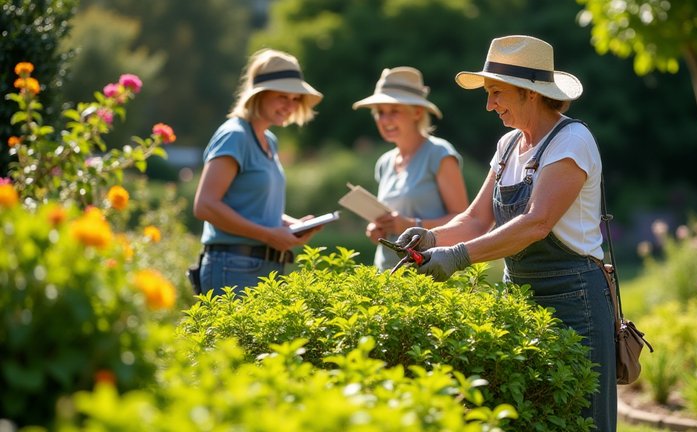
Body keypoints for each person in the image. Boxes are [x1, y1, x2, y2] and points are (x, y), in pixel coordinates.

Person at [396, 36, 617, 430]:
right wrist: (431, 238)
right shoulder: (508, 144)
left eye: (496, 93)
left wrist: (458, 256)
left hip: (576, 302)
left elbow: (537, 222)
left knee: (583, 421)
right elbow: (476, 219)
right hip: (520, 297)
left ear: (531, 93)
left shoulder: (572, 141)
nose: (489, 104)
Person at [193, 49, 324, 296]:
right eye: (282, 97)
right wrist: (269, 235)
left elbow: (252, 206)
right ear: (259, 95)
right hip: (233, 267)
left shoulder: (269, 141)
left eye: (295, 99)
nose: (290, 106)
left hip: (265, 265)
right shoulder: (235, 135)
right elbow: (205, 205)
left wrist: (289, 225)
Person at [352, 66, 469, 271]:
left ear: (417, 112)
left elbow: (463, 221)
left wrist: (411, 224)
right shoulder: (385, 162)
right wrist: (378, 230)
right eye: (380, 112)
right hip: (386, 272)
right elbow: (393, 221)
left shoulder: (439, 154)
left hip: (428, 275)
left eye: (394, 111)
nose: (385, 120)